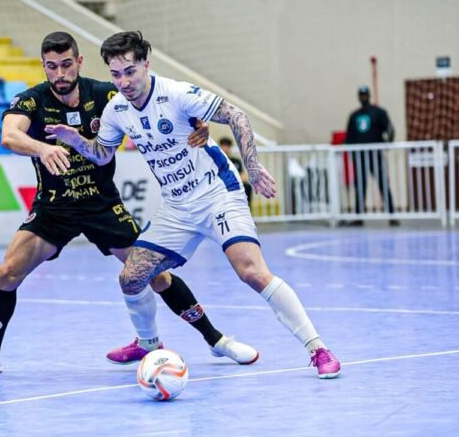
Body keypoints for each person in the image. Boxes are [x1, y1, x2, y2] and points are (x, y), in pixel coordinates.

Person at [0, 32, 258, 377]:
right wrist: (42, 148)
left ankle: (216, 340)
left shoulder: (106, 94)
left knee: (154, 273)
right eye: (52, 67)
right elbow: (10, 135)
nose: (60, 74)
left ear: (79, 62)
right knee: (7, 274)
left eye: (67, 65)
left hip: (101, 203)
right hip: (55, 205)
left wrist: (198, 124)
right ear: (43, 67)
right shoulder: (31, 101)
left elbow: (159, 102)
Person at [46, 31, 341, 379]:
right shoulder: (116, 110)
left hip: (217, 193)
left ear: (145, 65)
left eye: (130, 71)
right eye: (115, 74)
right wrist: (75, 139)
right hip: (176, 206)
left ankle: (318, 348)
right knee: (131, 278)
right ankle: (147, 343)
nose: (123, 81)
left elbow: (237, 116)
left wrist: (253, 164)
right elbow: (101, 154)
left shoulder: (176, 93)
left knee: (252, 272)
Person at [344, 85, 398, 226]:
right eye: (361, 95)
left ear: (369, 95)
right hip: (360, 157)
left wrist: (388, 142)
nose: (363, 97)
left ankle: (392, 215)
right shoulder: (354, 116)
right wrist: (352, 155)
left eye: (365, 94)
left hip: (376, 155)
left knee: (383, 184)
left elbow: (389, 129)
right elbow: (349, 138)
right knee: (360, 186)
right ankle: (359, 216)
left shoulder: (378, 112)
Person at [219, 137, 252, 208]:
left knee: (247, 186)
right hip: (221, 184)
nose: (225, 148)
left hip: (234, 183)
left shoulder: (236, 161)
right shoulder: (217, 161)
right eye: (223, 145)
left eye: (227, 146)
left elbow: (243, 176)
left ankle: (246, 209)